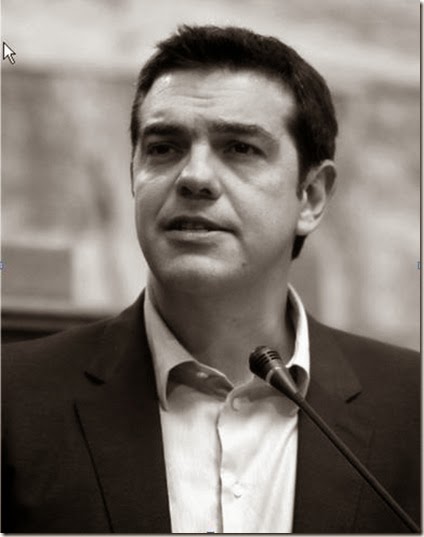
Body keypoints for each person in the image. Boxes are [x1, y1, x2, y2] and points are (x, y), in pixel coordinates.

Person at [2, 25, 420, 534]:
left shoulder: (412, 408)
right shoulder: (13, 399)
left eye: (240, 148)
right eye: (164, 147)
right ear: (132, 176)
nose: (194, 177)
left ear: (310, 197)